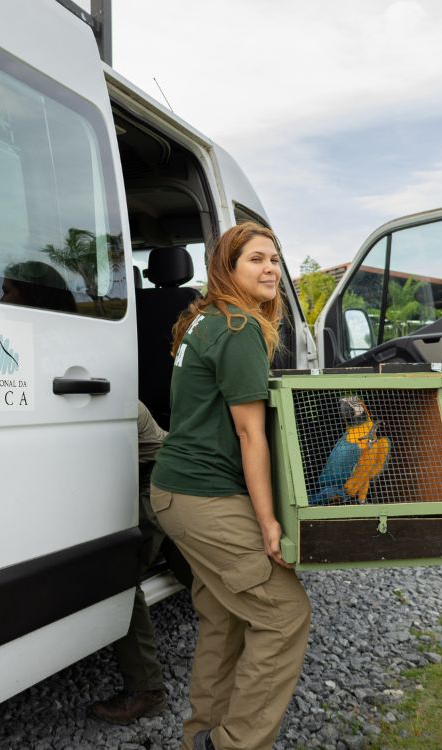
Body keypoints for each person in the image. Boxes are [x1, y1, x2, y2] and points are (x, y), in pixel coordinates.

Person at [149, 222, 311, 750]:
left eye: (273, 259)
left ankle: (201, 736)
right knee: (285, 616)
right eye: (256, 260)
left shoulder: (204, 319)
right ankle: (237, 743)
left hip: (176, 490)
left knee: (223, 617)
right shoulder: (240, 328)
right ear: (228, 268)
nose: (269, 269)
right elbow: (250, 433)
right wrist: (269, 524)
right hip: (204, 496)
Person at [88, 401, 194, 724]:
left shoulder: (116, 402)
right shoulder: (116, 392)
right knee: (192, 568)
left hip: (156, 482)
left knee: (121, 580)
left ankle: (147, 691)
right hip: (170, 476)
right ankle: (244, 633)